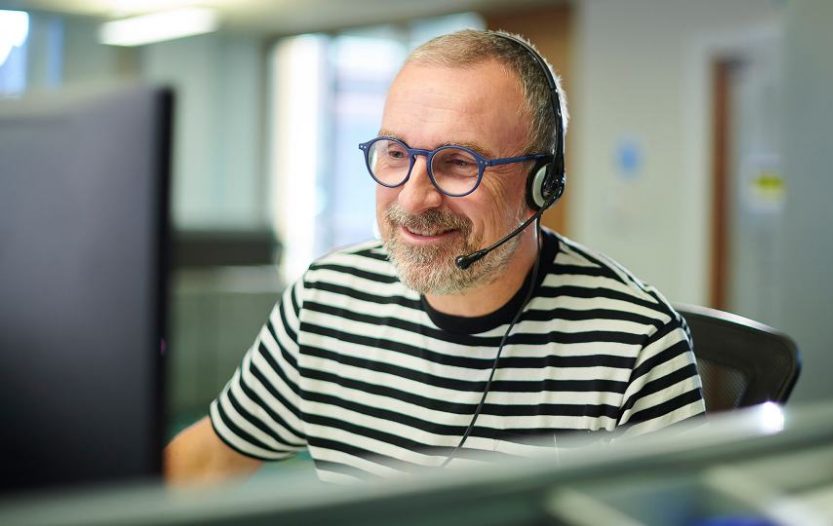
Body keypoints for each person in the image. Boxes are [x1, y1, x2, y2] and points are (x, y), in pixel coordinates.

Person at [165, 28, 705, 486]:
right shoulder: (327, 297)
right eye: (396, 154)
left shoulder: (636, 347)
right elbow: (211, 458)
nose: (412, 198)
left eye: (457, 163)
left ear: (543, 184)